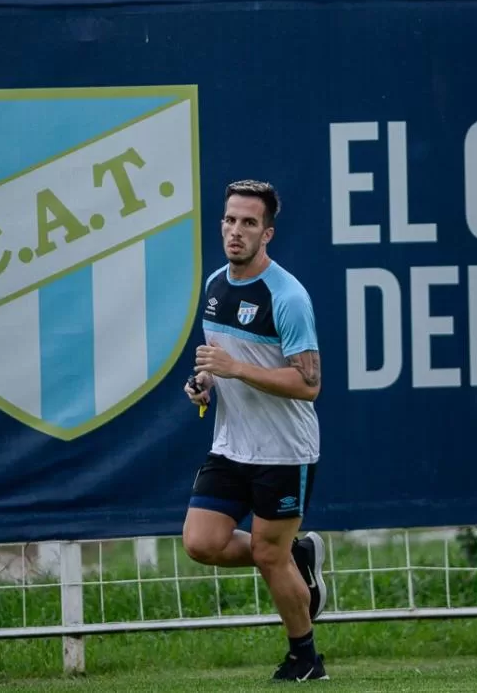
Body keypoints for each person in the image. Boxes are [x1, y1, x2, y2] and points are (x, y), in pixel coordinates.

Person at [182, 179, 329, 682]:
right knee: (201, 543)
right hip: (231, 444)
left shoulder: (287, 296)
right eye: (229, 220)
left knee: (269, 553)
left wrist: (235, 369)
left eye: (248, 223)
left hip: (284, 450)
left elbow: (309, 385)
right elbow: (220, 364)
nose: (235, 231)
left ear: (267, 233)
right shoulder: (214, 284)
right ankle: (297, 559)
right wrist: (203, 383)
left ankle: (305, 658)